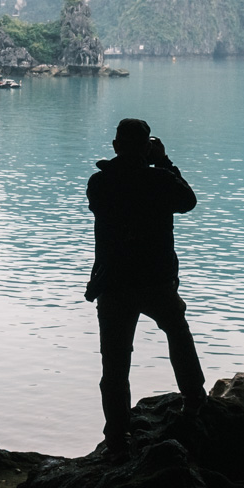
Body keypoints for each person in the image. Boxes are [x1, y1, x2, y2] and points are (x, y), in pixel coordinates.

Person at [84, 117, 206, 452]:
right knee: (177, 333)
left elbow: (105, 198)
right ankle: (195, 399)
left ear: (116, 146)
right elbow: (188, 201)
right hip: (156, 280)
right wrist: (163, 162)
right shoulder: (159, 180)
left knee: (115, 362)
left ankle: (116, 435)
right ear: (147, 148)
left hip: (114, 283)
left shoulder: (100, 183)